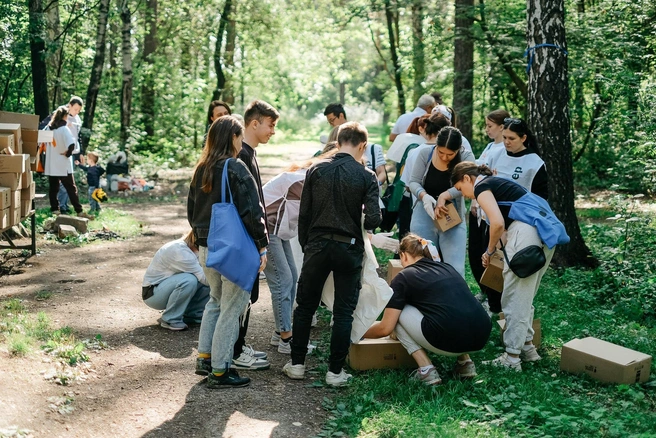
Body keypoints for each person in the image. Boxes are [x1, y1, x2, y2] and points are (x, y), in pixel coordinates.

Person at [283, 122, 382, 387]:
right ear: (362, 145)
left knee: (305, 306)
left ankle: (297, 365)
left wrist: (307, 245)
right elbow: (374, 219)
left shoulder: (316, 169)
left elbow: (304, 214)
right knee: (343, 312)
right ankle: (335, 371)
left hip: (316, 245)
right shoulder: (367, 176)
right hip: (348, 248)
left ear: (338, 143)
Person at [188, 116, 268, 388]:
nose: (241, 141)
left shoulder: (201, 169)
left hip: (206, 248)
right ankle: (221, 370)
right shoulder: (235, 167)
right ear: (233, 137)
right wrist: (262, 245)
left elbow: (191, 212)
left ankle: (205, 357)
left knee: (215, 301)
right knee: (232, 308)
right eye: (240, 135)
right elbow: (252, 209)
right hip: (232, 249)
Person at [451, 162, 555, 371]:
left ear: (467, 179)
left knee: (513, 296)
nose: (466, 196)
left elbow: (497, 224)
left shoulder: (482, 187)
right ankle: (527, 348)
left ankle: (512, 358)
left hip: (527, 234)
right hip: (546, 233)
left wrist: (488, 252)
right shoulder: (500, 183)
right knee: (525, 296)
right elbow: (503, 231)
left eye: (462, 190)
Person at [363, 234, 491, 385]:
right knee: (450, 309)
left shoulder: (404, 276)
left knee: (398, 313)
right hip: (482, 335)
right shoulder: (446, 267)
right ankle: (465, 362)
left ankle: (426, 370)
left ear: (403, 255)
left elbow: (385, 328)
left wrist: (358, 331)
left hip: (447, 339)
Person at [262, 151, 337, 353]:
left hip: (278, 229)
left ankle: (279, 333)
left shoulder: (309, 175)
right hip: (266, 229)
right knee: (283, 280)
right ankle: (286, 339)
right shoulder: (303, 180)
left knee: (292, 276)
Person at [479, 117, 548, 314]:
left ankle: (510, 310)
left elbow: (540, 198)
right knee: (491, 263)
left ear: (524, 138)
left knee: (510, 268)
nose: (507, 142)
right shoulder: (498, 154)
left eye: (512, 138)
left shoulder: (535, 163)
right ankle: (494, 307)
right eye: (505, 137)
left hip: (518, 224)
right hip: (493, 220)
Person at [230, 99, 279, 371]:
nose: (272, 131)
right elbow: (246, 204)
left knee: (250, 294)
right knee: (245, 294)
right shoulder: (242, 155)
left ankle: (240, 344)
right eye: (270, 125)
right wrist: (259, 241)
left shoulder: (251, 152)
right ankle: (235, 351)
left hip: (250, 236)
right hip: (246, 237)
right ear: (254, 123)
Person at [407, 125, 475, 277]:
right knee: (423, 264)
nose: (444, 157)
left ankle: (453, 298)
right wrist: (424, 196)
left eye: (450, 154)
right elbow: (413, 182)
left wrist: (445, 195)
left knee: (454, 267)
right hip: (425, 211)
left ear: (459, 149)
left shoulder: (466, 157)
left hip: (452, 215)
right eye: (441, 152)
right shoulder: (425, 153)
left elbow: (470, 183)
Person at [469, 109, 510, 308]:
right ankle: (485, 290)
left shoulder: (504, 150)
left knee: (489, 255)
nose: (486, 130)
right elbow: (478, 171)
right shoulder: (488, 146)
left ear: (502, 127)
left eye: (490, 126)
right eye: (486, 125)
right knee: (475, 253)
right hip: (477, 207)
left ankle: (495, 303)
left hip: (489, 209)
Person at [142, 231, 211, 331]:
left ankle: (193, 315)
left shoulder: (190, 248)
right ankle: (170, 319)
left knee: (205, 276)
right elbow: (206, 279)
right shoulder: (180, 251)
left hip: (165, 287)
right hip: (152, 294)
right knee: (189, 280)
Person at [44, 106, 93, 220]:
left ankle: (55, 209)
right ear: (65, 116)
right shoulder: (64, 129)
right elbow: (71, 144)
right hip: (63, 164)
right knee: (71, 188)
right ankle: (79, 210)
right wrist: (68, 153)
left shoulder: (48, 128)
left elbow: (42, 140)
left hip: (52, 163)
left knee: (53, 188)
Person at [322, 103, 386, 183]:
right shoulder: (334, 137)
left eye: (332, 120)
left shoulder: (374, 149)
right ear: (337, 145)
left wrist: (372, 187)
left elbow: (382, 173)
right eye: (329, 122)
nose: (331, 124)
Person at [57, 96, 84, 214]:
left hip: (72, 152)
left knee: (69, 181)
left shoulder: (77, 118)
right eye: (76, 109)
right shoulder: (60, 113)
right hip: (60, 152)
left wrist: (81, 152)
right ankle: (62, 207)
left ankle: (65, 205)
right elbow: (48, 128)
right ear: (70, 105)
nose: (77, 112)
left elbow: (79, 136)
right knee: (63, 181)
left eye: (79, 110)